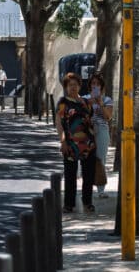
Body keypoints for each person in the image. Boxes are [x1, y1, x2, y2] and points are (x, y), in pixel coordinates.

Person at [55, 72, 96, 213]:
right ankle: (69, 204)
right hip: (71, 143)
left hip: (88, 143)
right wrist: (63, 141)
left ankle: (87, 202)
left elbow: (91, 120)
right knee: (70, 175)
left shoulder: (85, 102)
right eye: (70, 85)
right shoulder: (62, 103)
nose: (73, 87)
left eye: (75, 85)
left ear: (79, 86)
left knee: (89, 175)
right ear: (66, 87)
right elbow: (59, 124)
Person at [86, 73, 114, 198]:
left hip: (102, 130)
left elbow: (108, 117)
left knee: (100, 158)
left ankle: (101, 190)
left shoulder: (107, 100)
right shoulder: (85, 99)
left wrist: (100, 103)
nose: (95, 86)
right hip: (88, 131)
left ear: (102, 87)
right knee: (87, 159)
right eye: (93, 83)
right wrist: (89, 103)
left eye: (98, 84)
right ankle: (87, 188)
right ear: (90, 85)